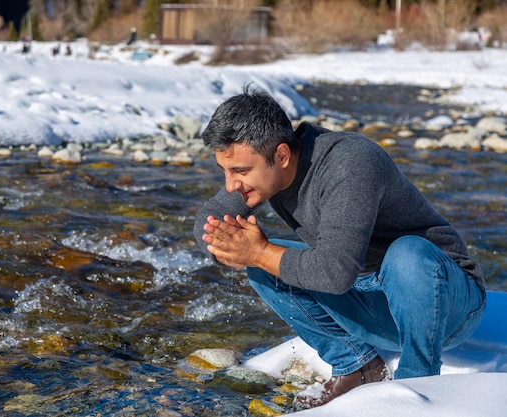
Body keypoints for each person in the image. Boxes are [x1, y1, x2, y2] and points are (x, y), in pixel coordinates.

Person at [193, 87, 486, 409]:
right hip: (371, 297)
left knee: (406, 254)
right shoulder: (264, 176)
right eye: (225, 170)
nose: (231, 184)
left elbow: (334, 275)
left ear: (281, 155)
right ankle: (357, 366)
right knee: (264, 263)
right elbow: (208, 220)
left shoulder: (350, 163)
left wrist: (259, 252)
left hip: (443, 305)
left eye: (240, 171)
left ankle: (416, 385)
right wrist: (228, 247)